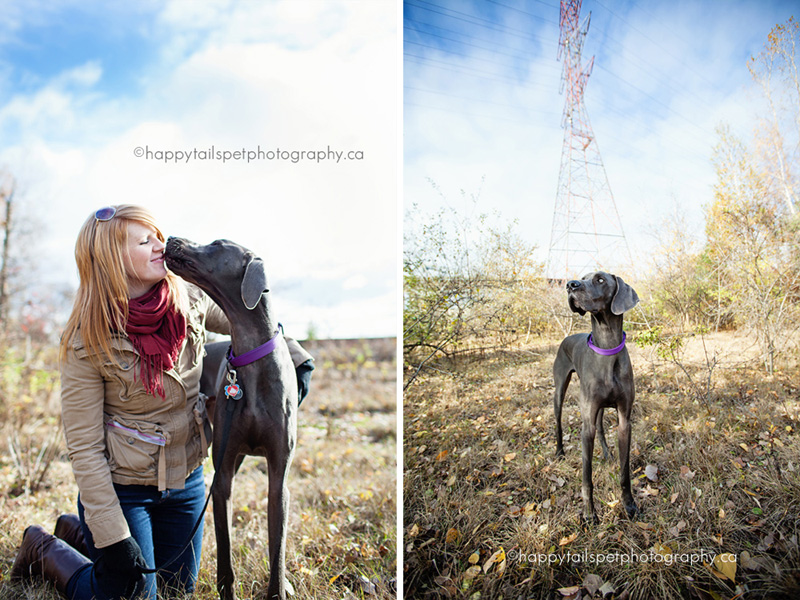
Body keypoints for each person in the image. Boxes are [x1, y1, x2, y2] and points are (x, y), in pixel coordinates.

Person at [10, 205, 314, 599]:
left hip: (183, 479)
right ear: (112, 259)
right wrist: (114, 536)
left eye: (157, 234)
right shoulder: (85, 340)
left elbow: (251, 318)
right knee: (132, 591)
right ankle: (44, 548)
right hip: (125, 487)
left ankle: (75, 533)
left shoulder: (188, 297)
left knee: (176, 591)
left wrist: (296, 356)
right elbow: (84, 449)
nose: (161, 245)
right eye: (145, 241)